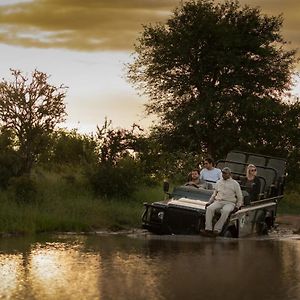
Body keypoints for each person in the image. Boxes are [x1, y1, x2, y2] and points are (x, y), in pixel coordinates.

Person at [203, 167, 243, 236]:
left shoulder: (235, 184)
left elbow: (240, 196)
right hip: (219, 201)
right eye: (222, 173)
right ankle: (208, 229)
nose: (223, 175)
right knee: (209, 209)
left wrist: (238, 206)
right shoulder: (219, 182)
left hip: (230, 202)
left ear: (229, 174)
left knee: (225, 211)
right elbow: (214, 194)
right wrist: (209, 202)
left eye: (225, 173)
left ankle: (217, 229)